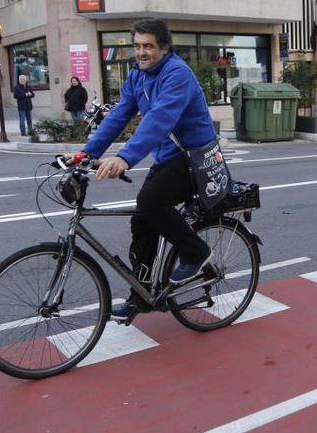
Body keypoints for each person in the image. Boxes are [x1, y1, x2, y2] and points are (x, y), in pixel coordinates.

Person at [67, 18, 216, 320]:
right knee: (141, 220)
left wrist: (124, 158)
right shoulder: (137, 75)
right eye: (136, 46)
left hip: (195, 157)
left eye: (148, 45)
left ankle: (195, 251)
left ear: (164, 47)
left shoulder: (178, 75)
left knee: (151, 202)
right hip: (167, 157)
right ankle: (142, 294)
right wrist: (88, 151)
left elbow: (159, 119)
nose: (141, 52)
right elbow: (120, 114)